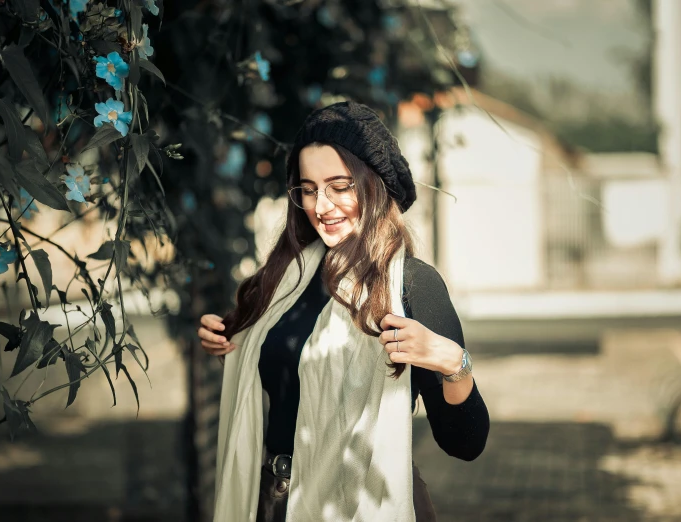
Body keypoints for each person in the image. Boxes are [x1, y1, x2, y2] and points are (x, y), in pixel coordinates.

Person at [198, 101, 490, 522]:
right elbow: (275, 353)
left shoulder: (412, 285)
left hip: (363, 504)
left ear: (373, 185)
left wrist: (451, 361)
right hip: (273, 504)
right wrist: (229, 335)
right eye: (309, 189)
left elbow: (467, 443)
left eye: (340, 186)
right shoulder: (285, 278)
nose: (322, 206)